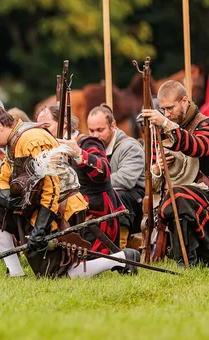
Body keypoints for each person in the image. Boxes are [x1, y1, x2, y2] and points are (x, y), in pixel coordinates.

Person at [0, 105, 139, 278]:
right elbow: (2, 176)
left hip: (61, 210)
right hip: (34, 208)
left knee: (53, 274)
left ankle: (121, 258)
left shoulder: (32, 139)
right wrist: (3, 196)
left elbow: (51, 186)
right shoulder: (13, 140)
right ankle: (15, 273)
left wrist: (41, 226)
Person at [37, 104, 123, 254]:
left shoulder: (87, 142)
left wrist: (78, 153)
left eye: (47, 126)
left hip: (94, 215)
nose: (42, 131)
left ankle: (127, 257)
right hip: (70, 216)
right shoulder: (49, 148)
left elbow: (103, 172)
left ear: (64, 124)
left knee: (87, 261)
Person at [141, 80, 209, 266]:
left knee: (177, 196)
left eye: (170, 108)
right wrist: (157, 169)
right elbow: (152, 184)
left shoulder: (205, 124)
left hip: (203, 196)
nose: (166, 114)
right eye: (163, 110)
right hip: (169, 200)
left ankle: (188, 262)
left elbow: (198, 147)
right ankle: (188, 261)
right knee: (175, 197)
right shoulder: (160, 132)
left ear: (184, 101)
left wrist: (166, 123)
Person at [88, 104, 145, 248]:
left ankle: (121, 246)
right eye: (91, 130)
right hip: (107, 193)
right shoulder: (91, 148)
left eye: (100, 130)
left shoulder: (130, 147)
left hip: (136, 201)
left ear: (112, 126)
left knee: (117, 195)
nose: (95, 135)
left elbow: (125, 180)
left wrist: (94, 187)